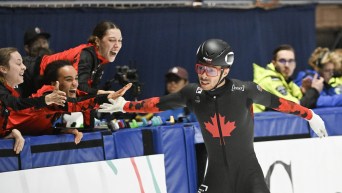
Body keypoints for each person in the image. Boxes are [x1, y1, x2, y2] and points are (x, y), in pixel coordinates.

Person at [98, 39, 328, 193]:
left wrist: (310, 116)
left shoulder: (245, 90)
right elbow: (159, 104)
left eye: (210, 70)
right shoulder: (192, 92)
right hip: (217, 175)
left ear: (225, 71)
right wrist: (125, 105)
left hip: (249, 174)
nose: (203, 75)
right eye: (200, 68)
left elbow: (279, 103)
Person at [7, 60, 131, 144]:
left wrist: (59, 131)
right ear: (53, 84)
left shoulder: (63, 97)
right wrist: (105, 97)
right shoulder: (48, 95)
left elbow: (35, 128)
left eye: (76, 78)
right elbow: (75, 104)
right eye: (68, 79)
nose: (75, 83)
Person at [25, 20, 122, 97]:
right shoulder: (86, 55)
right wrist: (103, 94)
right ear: (97, 41)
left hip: (40, 80)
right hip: (29, 71)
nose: (117, 45)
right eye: (112, 40)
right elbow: (79, 87)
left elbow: (89, 96)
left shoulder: (101, 61)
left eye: (120, 41)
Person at [0, 47, 66, 154]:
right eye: (18, 63)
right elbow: (15, 104)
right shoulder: (4, 94)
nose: (24, 67)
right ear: (3, 69)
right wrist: (45, 100)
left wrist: (11, 133)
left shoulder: (13, 92)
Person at [253, 44, 324, 112]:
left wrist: (304, 92)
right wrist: (314, 90)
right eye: (282, 61)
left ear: (295, 63)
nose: (287, 65)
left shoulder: (287, 81)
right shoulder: (270, 81)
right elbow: (295, 108)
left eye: (291, 61)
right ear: (274, 63)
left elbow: (304, 103)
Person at [20, 27, 53, 98]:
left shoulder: (55, 61)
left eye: (44, 42)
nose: (42, 46)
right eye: (37, 43)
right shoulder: (21, 65)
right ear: (27, 48)